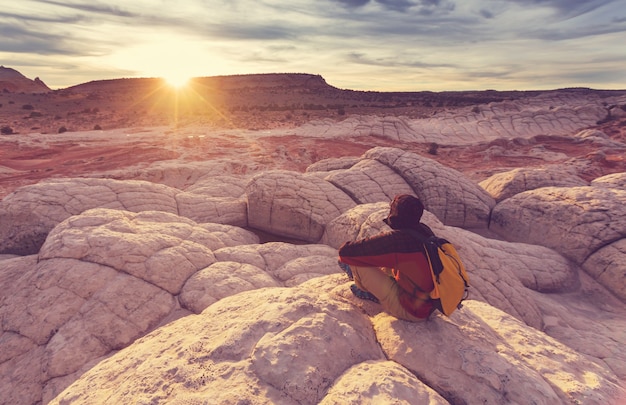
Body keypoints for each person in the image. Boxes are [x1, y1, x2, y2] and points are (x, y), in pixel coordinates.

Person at [337, 194, 436, 321]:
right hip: (429, 304)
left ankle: (368, 291)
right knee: (382, 260)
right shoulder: (424, 231)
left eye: (392, 210)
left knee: (355, 262)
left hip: (411, 310)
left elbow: (345, 252)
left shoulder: (397, 240)